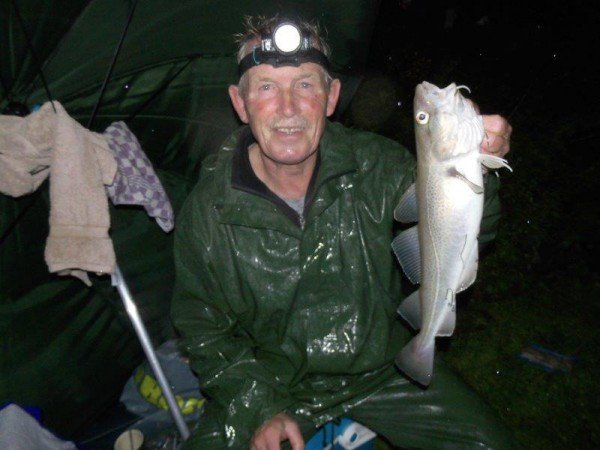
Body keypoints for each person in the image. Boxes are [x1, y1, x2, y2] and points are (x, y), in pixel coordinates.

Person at [171, 16, 516, 450]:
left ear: (331, 96)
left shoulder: (376, 165)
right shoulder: (207, 214)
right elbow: (204, 331)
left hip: (384, 370)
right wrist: (257, 405)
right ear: (239, 104)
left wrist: (478, 163)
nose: (288, 107)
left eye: (304, 85)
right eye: (265, 88)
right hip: (278, 385)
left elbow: (468, 237)